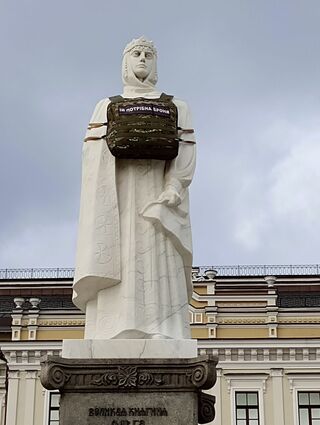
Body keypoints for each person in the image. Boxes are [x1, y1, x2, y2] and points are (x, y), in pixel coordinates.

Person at [73, 37, 196, 339]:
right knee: (122, 255)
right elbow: (92, 157)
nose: (142, 58)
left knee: (156, 253)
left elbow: (187, 152)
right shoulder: (106, 106)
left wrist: (175, 186)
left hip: (157, 195)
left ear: (155, 63)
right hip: (118, 197)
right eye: (136, 54)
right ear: (125, 62)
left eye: (148, 54)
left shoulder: (177, 106)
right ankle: (113, 327)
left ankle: (162, 329)